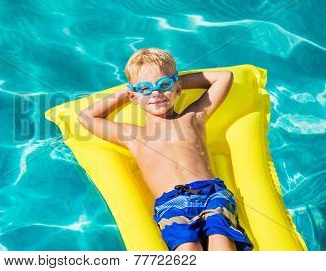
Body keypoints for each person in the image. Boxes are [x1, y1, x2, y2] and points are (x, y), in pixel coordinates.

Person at [78, 48, 253, 251]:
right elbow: (87, 117)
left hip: (211, 193)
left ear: (178, 88)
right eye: (146, 89)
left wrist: (173, 82)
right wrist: (130, 92)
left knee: (221, 244)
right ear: (133, 96)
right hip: (171, 202)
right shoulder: (134, 135)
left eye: (163, 85)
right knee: (187, 250)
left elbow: (223, 77)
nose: (156, 94)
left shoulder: (193, 117)